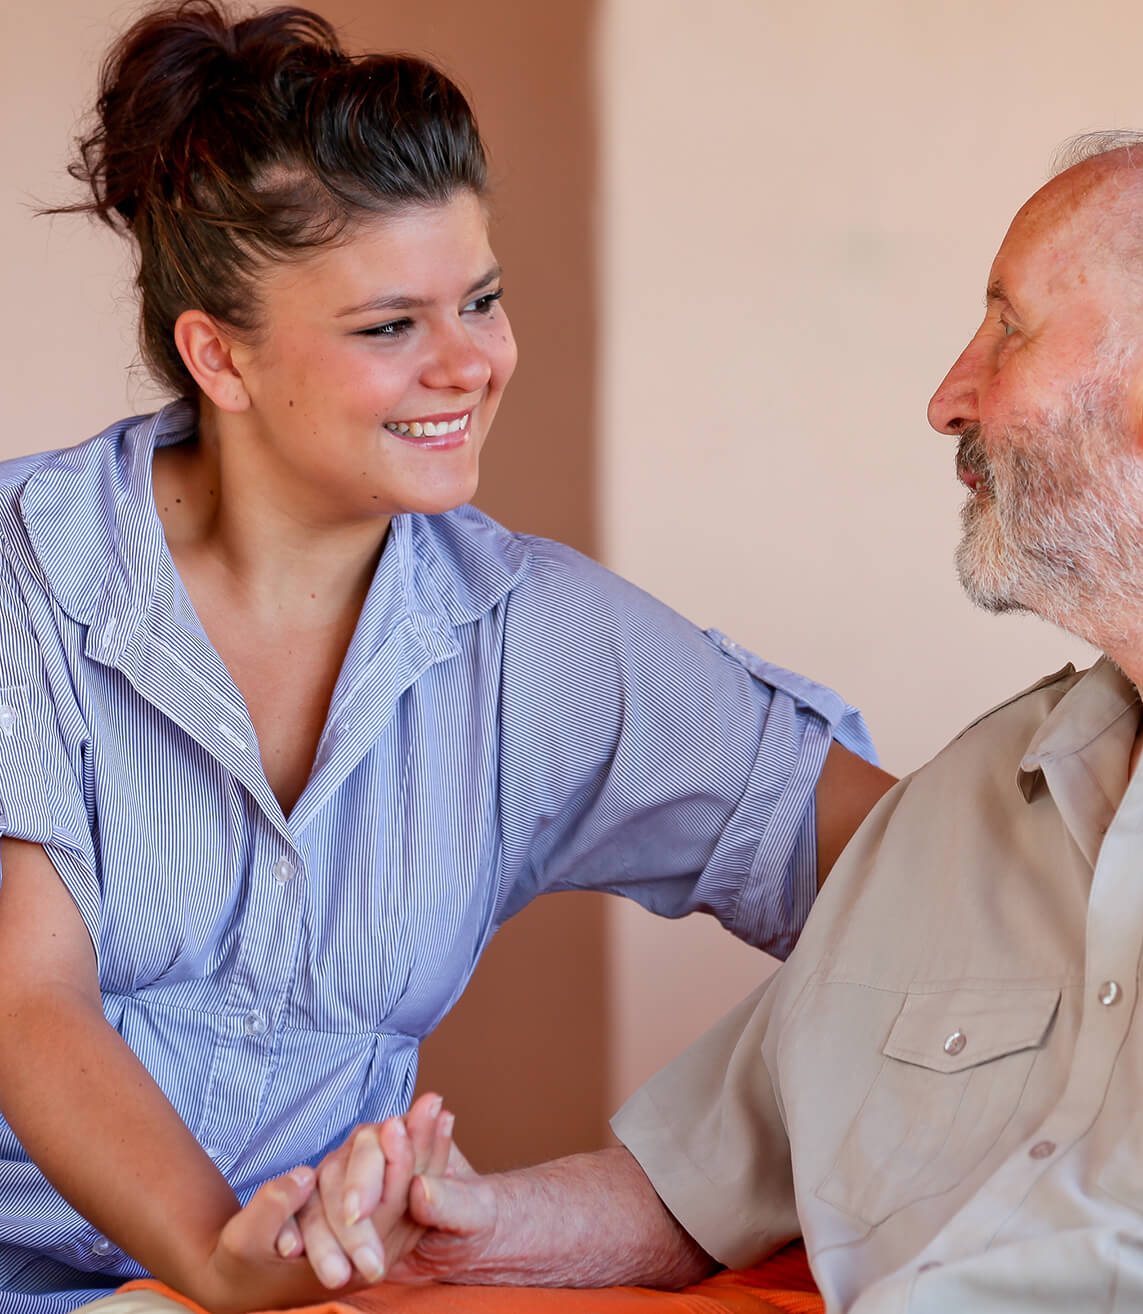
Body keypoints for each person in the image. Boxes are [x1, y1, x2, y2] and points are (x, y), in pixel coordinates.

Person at [172, 131, 1143, 1314]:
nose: (949, 395)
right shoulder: (968, 803)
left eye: (1009, 328)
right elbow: (684, 1192)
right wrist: (457, 1221)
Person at [0, 2, 896, 1311]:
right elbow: (31, 995)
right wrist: (214, 1254)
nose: (473, 362)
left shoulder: (529, 636)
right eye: (390, 327)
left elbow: (909, 869)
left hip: (302, 1296)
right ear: (220, 356)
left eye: (480, 298)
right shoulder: (28, 577)